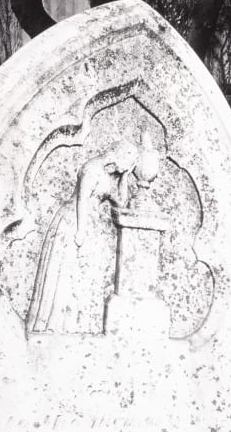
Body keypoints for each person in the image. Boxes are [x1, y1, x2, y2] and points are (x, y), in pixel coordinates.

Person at [25, 134, 159, 334]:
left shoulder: (108, 175)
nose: (125, 169)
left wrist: (124, 177)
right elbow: (82, 200)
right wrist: (80, 231)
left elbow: (121, 202)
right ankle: (54, 324)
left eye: (130, 166)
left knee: (81, 273)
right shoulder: (92, 168)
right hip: (74, 221)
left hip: (90, 223)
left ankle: (74, 325)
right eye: (127, 164)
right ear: (118, 155)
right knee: (66, 271)